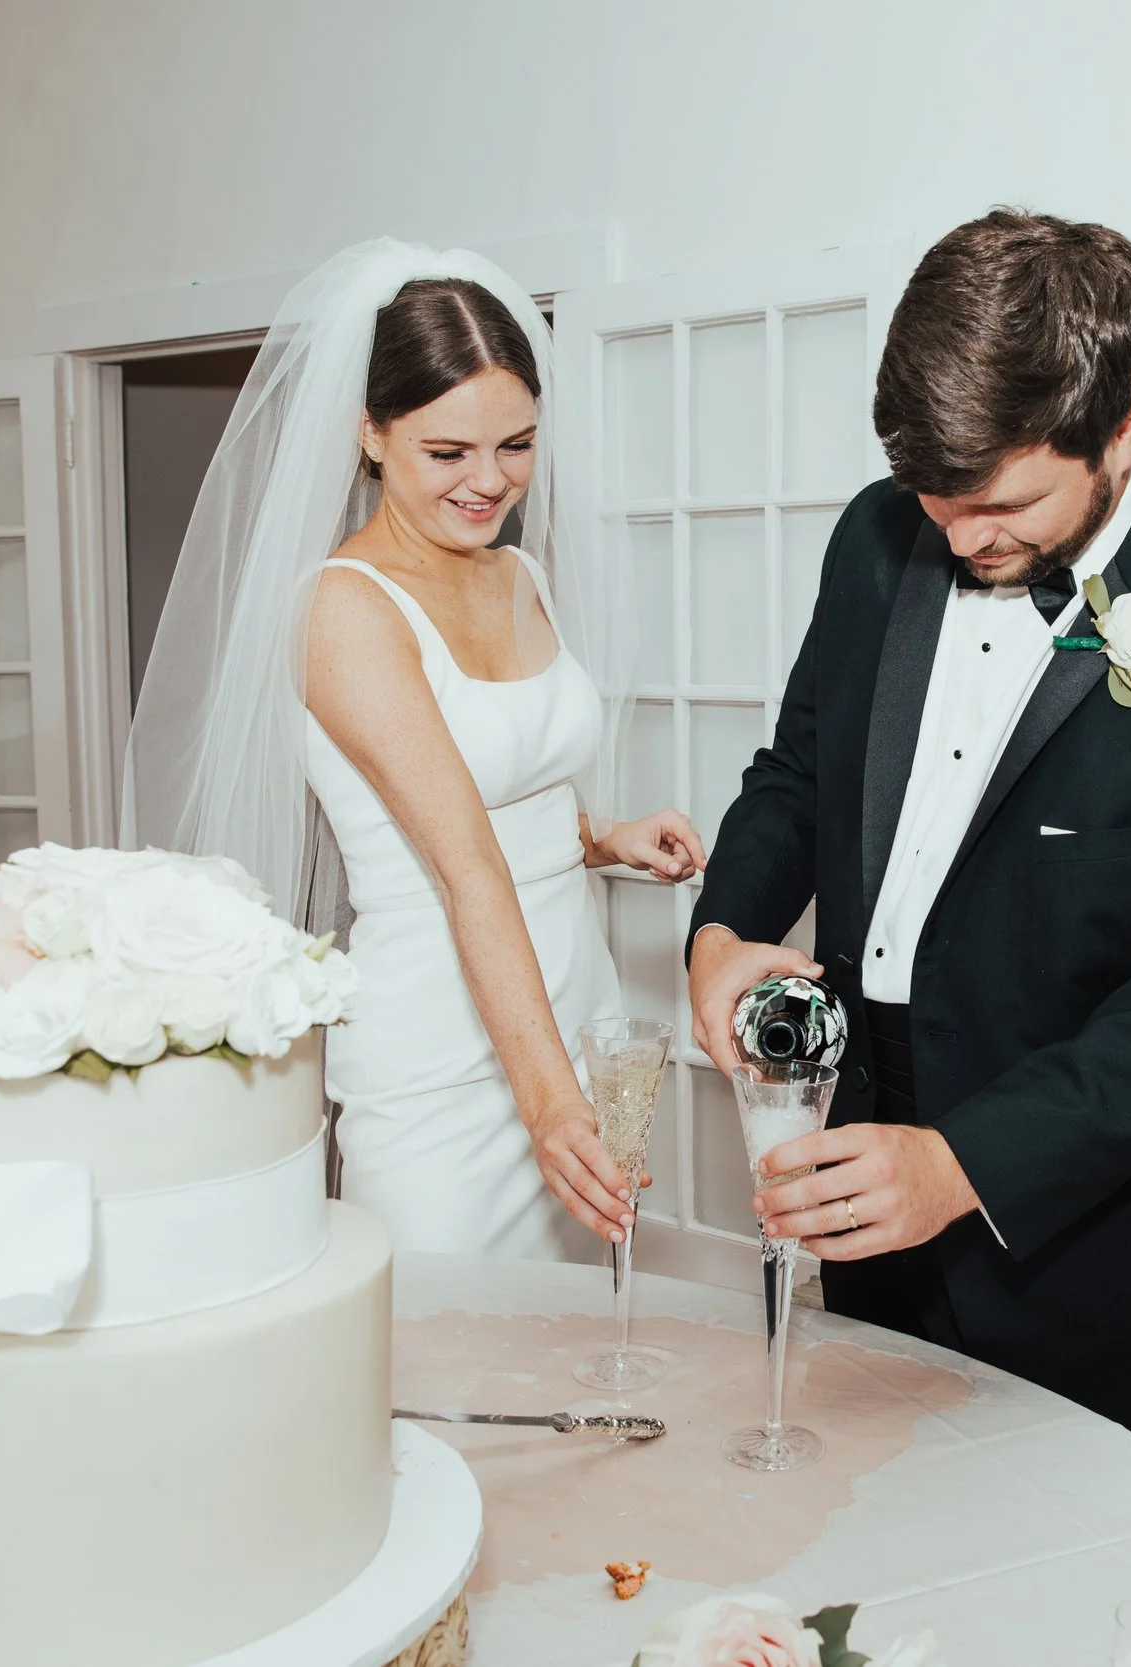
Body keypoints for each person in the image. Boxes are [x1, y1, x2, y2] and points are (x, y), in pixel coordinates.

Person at [687, 210, 1131, 1463]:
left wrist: (964, 1163)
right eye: (931, 500)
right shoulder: (872, 537)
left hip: (1093, 1222)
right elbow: (796, 774)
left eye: (1001, 503)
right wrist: (722, 931)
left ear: (1125, 420)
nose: (958, 540)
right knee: (868, 1540)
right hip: (858, 1137)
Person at [125, 241, 701, 1259]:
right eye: (448, 452)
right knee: (449, 1366)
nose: (490, 481)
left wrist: (604, 837)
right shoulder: (344, 610)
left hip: (570, 1002)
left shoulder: (519, 574)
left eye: (516, 444)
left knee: (576, 1357)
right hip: (447, 1056)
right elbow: (459, 861)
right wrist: (551, 1106)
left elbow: (503, 802)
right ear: (370, 434)